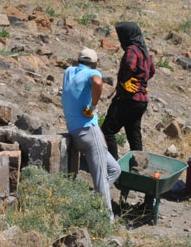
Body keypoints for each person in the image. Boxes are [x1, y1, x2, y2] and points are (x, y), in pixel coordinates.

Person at [62, 48, 120, 220]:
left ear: (78, 60)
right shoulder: (93, 73)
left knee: (115, 169)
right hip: (89, 131)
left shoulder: (68, 72)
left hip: (75, 131)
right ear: (95, 63)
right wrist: (93, 107)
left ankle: (88, 202)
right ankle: (106, 222)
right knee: (102, 180)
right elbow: (98, 83)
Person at [101, 22, 155, 160]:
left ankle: (112, 166)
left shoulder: (132, 50)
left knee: (107, 132)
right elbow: (152, 70)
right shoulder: (144, 51)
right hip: (141, 101)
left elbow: (130, 66)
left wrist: (125, 80)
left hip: (127, 99)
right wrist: (142, 83)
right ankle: (138, 168)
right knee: (133, 135)